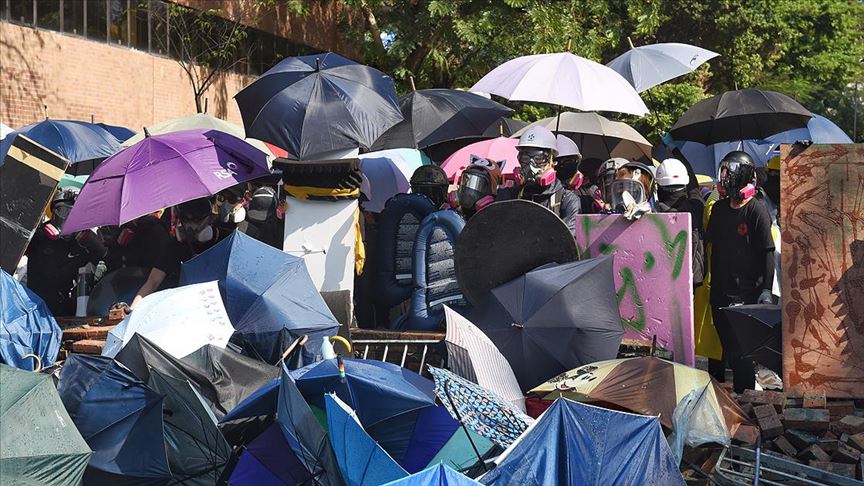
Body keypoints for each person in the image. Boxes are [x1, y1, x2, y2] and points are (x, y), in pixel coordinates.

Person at [705, 150, 776, 393]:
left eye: (729, 171)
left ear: (744, 174)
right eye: (723, 170)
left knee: (741, 355)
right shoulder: (719, 209)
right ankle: (732, 401)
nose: (724, 176)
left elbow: (768, 251)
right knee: (727, 349)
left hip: (745, 295)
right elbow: (710, 246)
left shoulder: (756, 210)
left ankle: (745, 401)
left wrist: (766, 289)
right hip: (720, 294)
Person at [25, 188, 107, 315]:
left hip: (66, 306)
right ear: (53, 212)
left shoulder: (83, 241)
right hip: (34, 304)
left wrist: (90, 239)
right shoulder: (38, 236)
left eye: (74, 213)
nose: (68, 218)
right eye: (64, 211)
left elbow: (104, 257)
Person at [498, 125, 581, 231]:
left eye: (538, 159)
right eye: (525, 159)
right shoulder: (508, 197)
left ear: (552, 161)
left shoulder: (567, 200)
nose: (530, 166)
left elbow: (569, 240)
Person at [102, 213, 179, 309]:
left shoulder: (154, 229)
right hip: (127, 294)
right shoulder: (122, 233)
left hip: (157, 298)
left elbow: (154, 279)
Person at [655, 158, 706, 286]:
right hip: (693, 276)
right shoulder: (696, 206)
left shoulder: (653, 213)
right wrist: (675, 150)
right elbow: (694, 186)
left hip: (662, 278)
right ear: (685, 182)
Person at [172, 197, 227, 261]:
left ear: (210, 219)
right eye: (185, 219)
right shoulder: (173, 248)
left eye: (196, 220)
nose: (190, 224)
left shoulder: (225, 241)